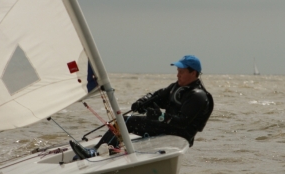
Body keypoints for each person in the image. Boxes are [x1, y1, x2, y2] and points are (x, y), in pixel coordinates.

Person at [70, 55, 214, 160]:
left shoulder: (198, 96)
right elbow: (157, 96)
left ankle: (93, 153)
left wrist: (161, 116)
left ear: (193, 73)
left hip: (180, 135)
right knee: (124, 120)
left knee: (125, 121)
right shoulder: (176, 87)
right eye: (177, 71)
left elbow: (183, 122)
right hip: (167, 127)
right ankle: (107, 149)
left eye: (181, 72)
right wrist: (143, 102)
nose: (178, 75)